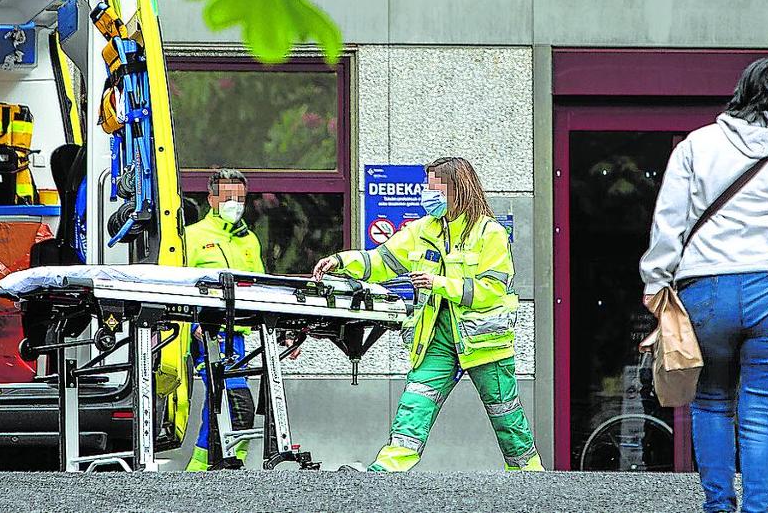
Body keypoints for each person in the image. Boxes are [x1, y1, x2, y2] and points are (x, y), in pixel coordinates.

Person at [639, 58, 768, 513]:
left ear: (740, 92)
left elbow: (669, 221)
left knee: (711, 401)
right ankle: (757, 509)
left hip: (707, 287)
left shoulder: (698, 146)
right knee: (765, 408)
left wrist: (656, 281)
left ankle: (718, 507)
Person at [312, 157, 542, 472]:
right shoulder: (421, 230)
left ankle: (530, 476)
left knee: (505, 415)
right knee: (415, 404)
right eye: (427, 186)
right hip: (438, 339)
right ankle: (386, 471)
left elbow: (491, 289)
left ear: (458, 190)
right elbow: (379, 261)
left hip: (485, 343)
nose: (427, 194)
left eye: (434, 187)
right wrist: (340, 262)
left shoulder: (491, 233)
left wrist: (439, 284)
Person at [183, 169, 265, 471]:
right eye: (227, 197)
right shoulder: (192, 237)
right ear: (211, 198)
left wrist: (282, 329)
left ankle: (205, 471)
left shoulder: (249, 240)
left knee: (219, 406)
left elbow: (259, 288)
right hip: (207, 335)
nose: (234, 203)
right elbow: (177, 289)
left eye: (240, 198)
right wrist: (193, 326)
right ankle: (229, 467)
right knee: (236, 403)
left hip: (239, 337)